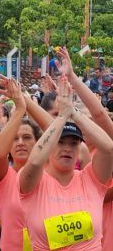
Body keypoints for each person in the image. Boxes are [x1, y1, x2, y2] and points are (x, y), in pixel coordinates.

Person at [19, 75, 113, 251]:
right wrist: (61, 117)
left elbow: (108, 148)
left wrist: (73, 112)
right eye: (60, 142)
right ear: (48, 146)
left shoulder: (90, 179)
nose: (67, 148)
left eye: (73, 143)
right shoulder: (35, 183)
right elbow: (34, 163)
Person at [0, 77, 40, 251]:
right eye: (14, 139)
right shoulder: (4, 178)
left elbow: (56, 133)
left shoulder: (50, 175)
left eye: (26, 137)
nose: (20, 143)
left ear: (39, 143)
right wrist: (19, 109)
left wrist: (24, 100)